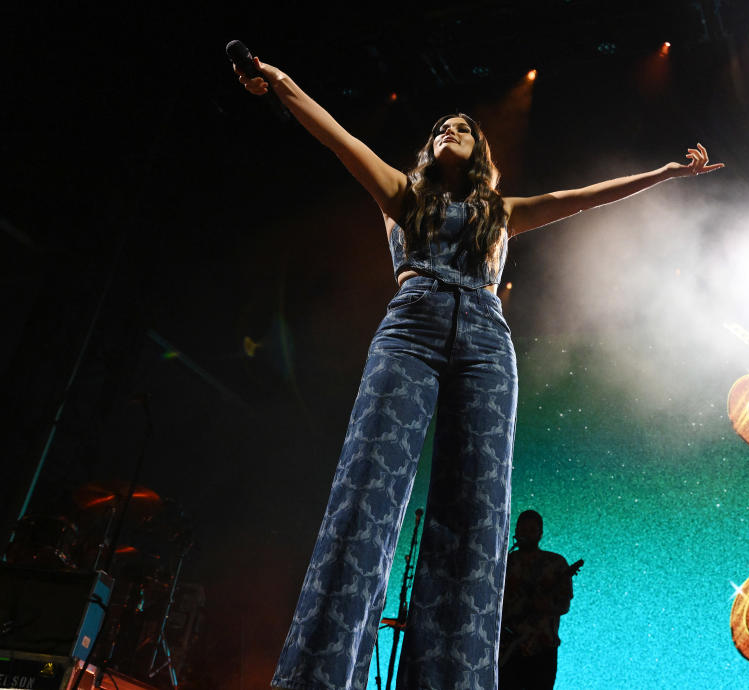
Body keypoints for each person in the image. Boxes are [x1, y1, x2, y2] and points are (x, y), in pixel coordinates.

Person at [234, 56, 722, 690]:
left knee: (476, 519)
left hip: (488, 342)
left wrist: (663, 174)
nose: (451, 127)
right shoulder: (402, 193)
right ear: (428, 148)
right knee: (367, 498)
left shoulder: (502, 211)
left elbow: (580, 198)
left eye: (464, 125)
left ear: (482, 148)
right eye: (442, 125)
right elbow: (335, 135)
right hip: (411, 326)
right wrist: (281, 84)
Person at [499, 510, 578, 690]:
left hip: (543, 648)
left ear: (540, 533)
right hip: (509, 648)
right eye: (523, 529)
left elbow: (564, 605)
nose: (526, 534)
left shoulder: (556, 563)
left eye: (531, 529)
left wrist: (543, 605)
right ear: (516, 532)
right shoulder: (506, 563)